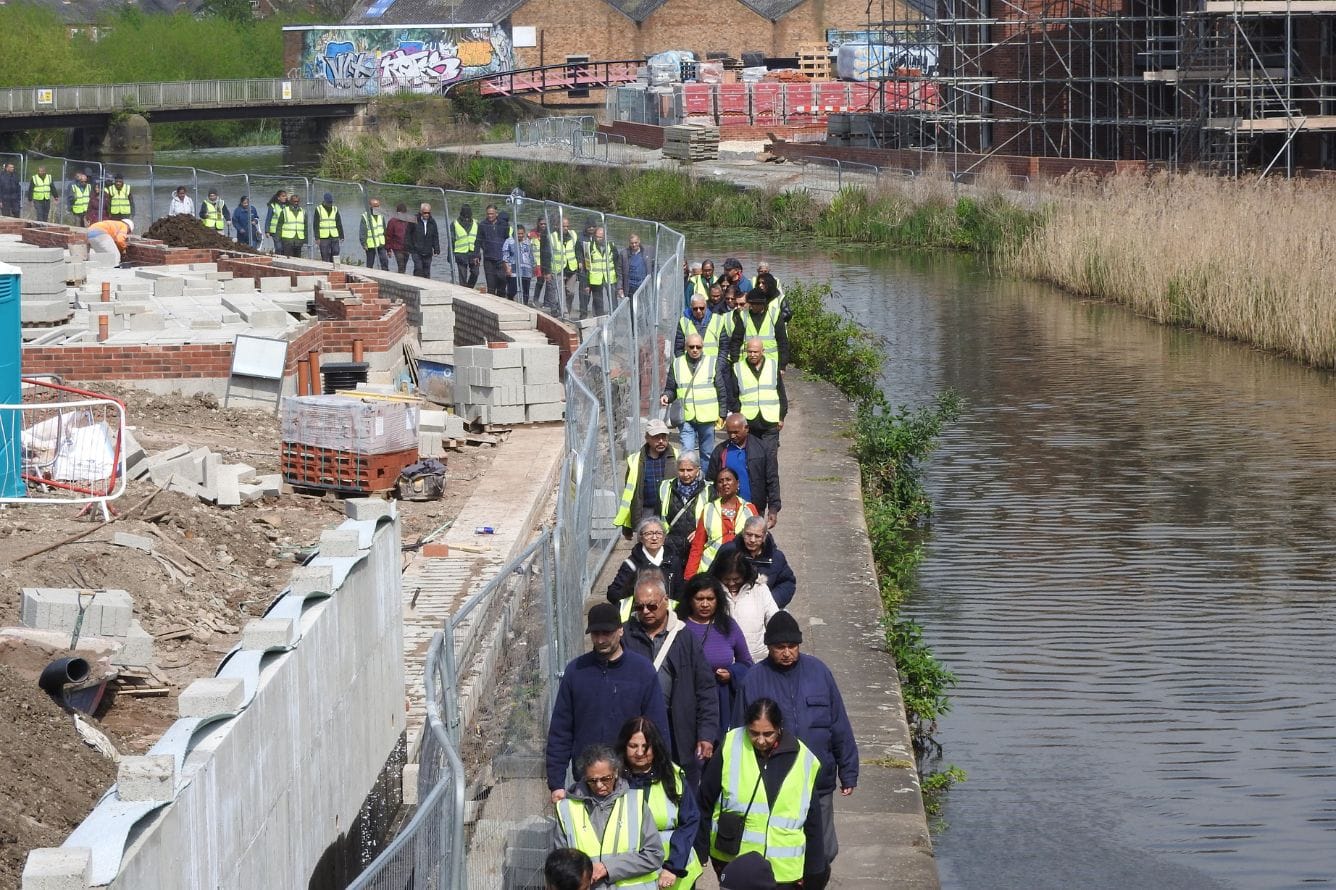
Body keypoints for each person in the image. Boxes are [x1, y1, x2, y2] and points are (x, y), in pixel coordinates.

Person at [735, 613, 857, 871]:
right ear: (769, 647)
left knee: (824, 851)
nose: (787, 653)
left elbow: (839, 725)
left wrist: (848, 771)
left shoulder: (820, 672)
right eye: (781, 647)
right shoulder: (753, 679)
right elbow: (738, 735)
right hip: (775, 784)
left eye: (792, 646)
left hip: (818, 780)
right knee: (780, 852)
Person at [697, 698, 827, 890]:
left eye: (768, 734)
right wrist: (700, 849)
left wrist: (814, 872)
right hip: (736, 866)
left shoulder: (804, 759)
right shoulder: (731, 744)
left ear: (779, 728)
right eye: (754, 733)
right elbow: (704, 800)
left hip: (783, 872)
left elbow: (813, 822)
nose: (760, 740)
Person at [547, 603, 671, 799]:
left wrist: (663, 775)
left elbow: (657, 729)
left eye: (607, 633)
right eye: (596, 634)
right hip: (588, 781)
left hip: (632, 782)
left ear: (620, 631)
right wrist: (556, 783)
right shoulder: (576, 672)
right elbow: (561, 730)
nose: (601, 639)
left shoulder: (642, 671)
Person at [621, 573, 720, 789]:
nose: (645, 612)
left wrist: (706, 734)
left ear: (666, 601)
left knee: (683, 793)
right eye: (639, 607)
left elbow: (705, 689)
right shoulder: (625, 637)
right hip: (639, 734)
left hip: (680, 733)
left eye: (652, 606)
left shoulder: (685, 637)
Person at [551, 744, 663, 889]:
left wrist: (608, 868)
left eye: (606, 779)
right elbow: (562, 865)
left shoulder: (636, 802)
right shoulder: (566, 809)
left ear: (616, 772)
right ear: (585, 777)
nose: (599, 785)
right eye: (592, 780)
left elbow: (654, 854)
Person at [618, 716, 705, 889]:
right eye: (633, 746)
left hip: (673, 871)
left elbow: (689, 822)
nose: (640, 752)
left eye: (646, 746)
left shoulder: (673, 776)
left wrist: (673, 867)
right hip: (630, 874)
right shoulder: (612, 778)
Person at [677, 575, 753, 738]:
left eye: (710, 599)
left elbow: (747, 663)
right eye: (700, 599)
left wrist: (731, 674)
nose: (705, 604)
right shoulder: (677, 626)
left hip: (721, 702)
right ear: (690, 600)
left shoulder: (728, 626)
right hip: (686, 701)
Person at [705, 414, 781, 530]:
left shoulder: (763, 449)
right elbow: (710, 480)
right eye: (729, 432)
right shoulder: (720, 451)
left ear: (746, 428)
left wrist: (773, 508)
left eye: (736, 432)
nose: (732, 436)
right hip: (726, 509)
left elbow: (772, 479)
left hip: (754, 508)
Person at [684, 467, 758, 578]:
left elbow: (759, 542)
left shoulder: (749, 509)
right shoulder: (709, 509)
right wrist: (689, 577)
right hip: (711, 571)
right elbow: (697, 546)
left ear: (737, 483)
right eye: (720, 481)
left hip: (742, 571)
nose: (724, 483)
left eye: (728, 480)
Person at [708, 548, 778, 664]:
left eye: (736, 579)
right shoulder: (711, 591)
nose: (731, 583)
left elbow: (774, 620)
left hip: (758, 660)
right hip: (725, 663)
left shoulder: (760, 589)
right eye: (726, 579)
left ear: (744, 574)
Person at [662, 333, 725, 461]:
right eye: (691, 347)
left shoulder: (712, 362)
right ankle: (689, 480)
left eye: (698, 347)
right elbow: (671, 388)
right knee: (687, 454)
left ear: (702, 347)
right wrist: (666, 396)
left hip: (707, 417)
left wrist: (722, 413)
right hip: (686, 417)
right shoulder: (677, 364)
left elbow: (721, 389)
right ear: (686, 347)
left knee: (707, 454)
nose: (695, 350)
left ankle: (706, 480)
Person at [614, 419, 679, 541]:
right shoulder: (635, 461)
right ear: (647, 438)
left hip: (670, 512)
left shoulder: (677, 456)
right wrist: (627, 527)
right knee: (646, 548)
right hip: (646, 512)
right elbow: (630, 496)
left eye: (663, 437)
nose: (661, 441)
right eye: (656, 437)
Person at [714, 516, 797, 609]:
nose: (752, 540)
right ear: (742, 533)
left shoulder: (776, 557)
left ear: (765, 536)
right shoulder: (727, 551)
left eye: (757, 536)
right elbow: (712, 579)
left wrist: (770, 601)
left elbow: (787, 583)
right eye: (748, 534)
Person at [607, 517, 685, 616]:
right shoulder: (631, 564)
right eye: (649, 534)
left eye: (658, 533)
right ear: (641, 538)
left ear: (664, 537)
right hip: (641, 615)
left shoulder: (674, 561)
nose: (654, 537)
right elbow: (613, 593)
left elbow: (680, 593)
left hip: (667, 616)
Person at [726, 338, 787, 451]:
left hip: (770, 420)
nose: (752, 354)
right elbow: (732, 395)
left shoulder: (773, 366)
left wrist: (781, 416)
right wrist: (738, 415)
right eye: (750, 351)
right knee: (751, 458)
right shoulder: (738, 368)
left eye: (756, 352)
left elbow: (781, 393)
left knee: (770, 457)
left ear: (762, 351)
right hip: (748, 422)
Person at [658, 452, 711, 557]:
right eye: (681, 470)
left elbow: (715, 520)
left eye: (690, 470)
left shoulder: (709, 490)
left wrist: (701, 532)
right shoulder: (665, 487)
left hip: (697, 549)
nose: (685, 474)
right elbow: (657, 516)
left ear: (698, 470)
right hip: (671, 548)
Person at [727, 288, 788, 369]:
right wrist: (735, 362)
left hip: (770, 364)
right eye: (752, 303)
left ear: (763, 303)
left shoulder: (774, 315)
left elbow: (782, 341)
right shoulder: (744, 316)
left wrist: (782, 366)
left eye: (757, 304)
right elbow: (736, 341)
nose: (754, 306)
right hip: (748, 363)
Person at [674, 294, 727, 361]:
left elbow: (724, 348)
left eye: (701, 308)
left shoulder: (718, 320)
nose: (698, 311)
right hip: (691, 366)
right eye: (695, 309)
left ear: (706, 306)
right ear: (691, 307)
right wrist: (684, 364)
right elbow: (678, 348)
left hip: (712, 366)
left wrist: (719, 366)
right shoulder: (684, 322)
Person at [583, 226, 618, 317]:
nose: (599, 239)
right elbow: (586, 266)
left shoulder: (611, 246)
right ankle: (600, 321)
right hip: (595, 279)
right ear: (594, 236)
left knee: (613, 301)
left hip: (610, 278)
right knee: (598, 302)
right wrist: (586, 283)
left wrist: (618, 280)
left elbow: (617, 263)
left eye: (601, 237)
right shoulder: (590, 246)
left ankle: (615, 319)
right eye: (597, 236)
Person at [548, 215, 579, 313]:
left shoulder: (573, 235)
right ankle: (562, 313)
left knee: (571, 292)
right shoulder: (552, 237)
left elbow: (577, 250)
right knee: (559, 293)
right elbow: (547, 254)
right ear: (557, 226)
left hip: (571, 268)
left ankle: (566, 310)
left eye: (567, 226)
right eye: (563, 226)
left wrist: (580, 262)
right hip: (558, 269)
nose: (566, 228)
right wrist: (547, 271)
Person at [478, 203, 509, 296]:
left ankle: (502, 304)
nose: (490, 216)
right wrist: (477, 254)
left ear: (496, 213)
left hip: (501, 259)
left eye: (492, 214)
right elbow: (478, 240)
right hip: (489, 260)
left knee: (502, 284)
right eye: (488, 214)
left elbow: (507, 240)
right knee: (491, 286)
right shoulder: (482, 225)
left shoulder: (504, 225)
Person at [406, 202, 441, 278]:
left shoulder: (432, 222)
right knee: (418, 269)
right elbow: (408, 234)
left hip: (428, 251)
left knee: (426, 272)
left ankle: (426, 287)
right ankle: (416, 286)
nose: (427, 214)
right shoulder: (413, 220)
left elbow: (435, 236)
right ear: (421, 212)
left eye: (428, 213)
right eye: (425, 213)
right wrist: (410, 247)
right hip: (416, 251)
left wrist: (436, 249)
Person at [618, 233, 654, 302]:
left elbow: (654, 265)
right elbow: (619, 272)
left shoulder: (648, 251)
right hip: (631, 286)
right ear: (629, 243)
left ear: (639, 241)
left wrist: (658, 279)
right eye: (632, 243)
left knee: (646, 306)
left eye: (636, 243)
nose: (634, 245)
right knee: (633, 308)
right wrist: (620, 288)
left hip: (644, 285)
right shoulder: (624, 254)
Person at [452, 204, 479, 287]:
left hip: (474, 253)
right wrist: (450, 255)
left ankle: (469, 288)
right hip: (460, 253)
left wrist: (478, 253)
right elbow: (451, 240)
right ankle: (463, 290)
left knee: (475, 273)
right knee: (462, 277)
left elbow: (480, 240)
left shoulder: (476, 223)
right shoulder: (454, 224)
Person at [359, 198, 389, 271]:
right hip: (370, 245)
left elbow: (384, 230)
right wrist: (364, 243)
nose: (377, 208)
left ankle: (385, 274)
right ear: (371, 206)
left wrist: (387, 244)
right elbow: (363, 231)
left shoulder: (381, 216)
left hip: (381, 244)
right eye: (375, 206)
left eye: (378, 206)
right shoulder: (365, 216)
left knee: (384, 261)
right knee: (370, 264)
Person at [315, 192, 343, 263]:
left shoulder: (335, 209)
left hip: (334, 235)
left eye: (331, 202)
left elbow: (339, 223)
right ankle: (326, 268)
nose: (330, 204)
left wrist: (341, 235)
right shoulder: (318, 209)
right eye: (328, 202)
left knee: (336, 252)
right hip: (323, 237)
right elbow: (316, 225)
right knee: (324, 254)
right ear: (324, 201)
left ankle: (335, 268)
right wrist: (317, 237)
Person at [385, 202, 411, 274]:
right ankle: (401, 278)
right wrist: (388, 249)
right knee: (401, 265)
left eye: (404, 213)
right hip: (397, 247)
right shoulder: (392, 222)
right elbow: (388, 236)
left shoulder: (409, 221)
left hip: (407, 247)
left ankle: (402, 276)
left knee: (404, 265)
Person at [281, 193, 307, 258]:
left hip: (299, 240)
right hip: (288, 240)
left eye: (297, 201)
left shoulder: (303, 212)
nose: (296, 203)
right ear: (291, 202)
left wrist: (306, 239)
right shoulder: (285, 211)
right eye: (294, 201)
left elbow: (306, 227)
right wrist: (279, 239)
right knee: (288, 259)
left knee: (298, 259)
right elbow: (279, 225)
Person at [265, 189, 288, 254]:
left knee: (284, 248)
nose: (285, 197)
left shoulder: (287, 206)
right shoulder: (273, 206)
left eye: (285, 196)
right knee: (279, 247)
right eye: (283, 196)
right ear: (278, 198)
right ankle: (278, 257)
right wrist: (267, 231)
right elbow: (268, 219)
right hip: (275, 231)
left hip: (284, 230)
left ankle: (282, 260)